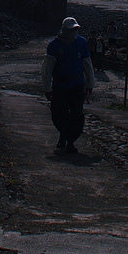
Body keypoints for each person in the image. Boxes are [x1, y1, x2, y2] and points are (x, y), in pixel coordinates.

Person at [41, 16, 95, 154]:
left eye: (76, 30)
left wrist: (90, 84)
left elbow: (87, 65)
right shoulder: (54, 46)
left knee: (76, 115)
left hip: (77, 86)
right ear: (64, 30)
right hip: (60, 86)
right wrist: (47, 88)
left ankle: (70, 141)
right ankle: (63, 135)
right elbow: (47, 68)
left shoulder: (81, 43)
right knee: (59, 114)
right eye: (71, 30)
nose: (74, 33)